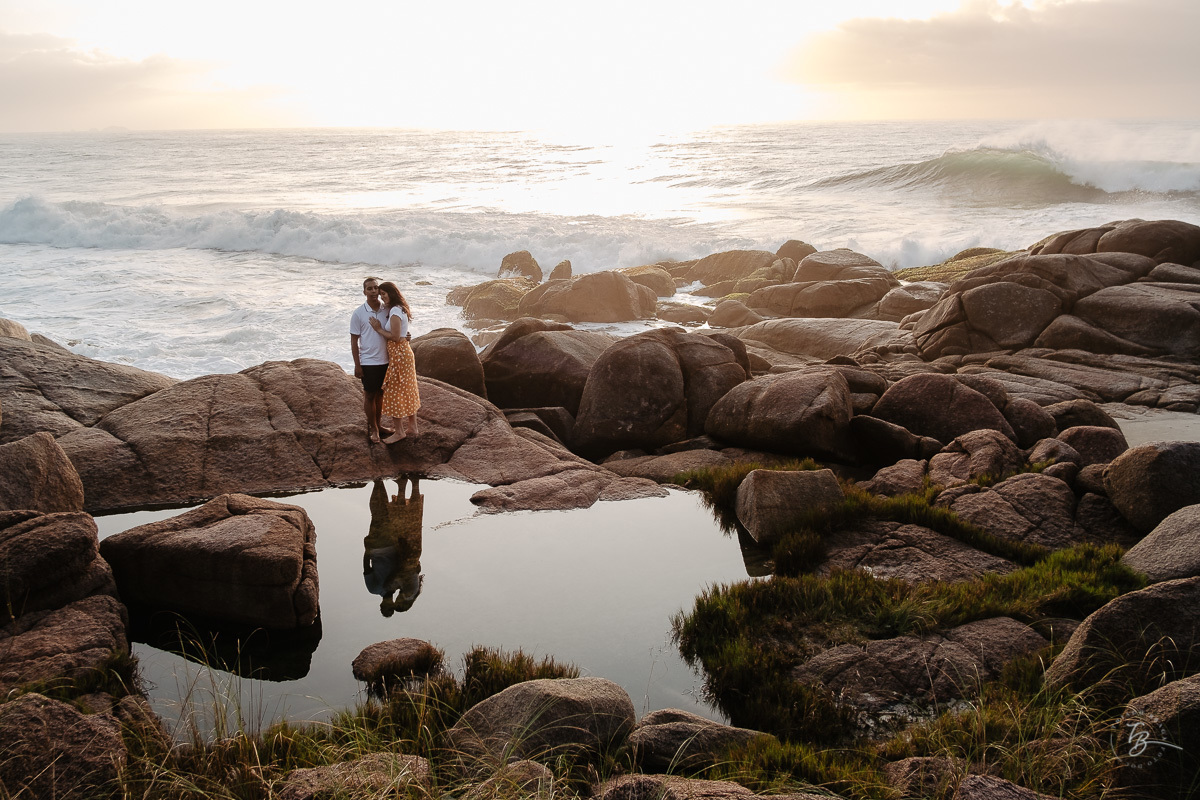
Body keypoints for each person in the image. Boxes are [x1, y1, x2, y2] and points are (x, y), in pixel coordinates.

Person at [370, 281, 421, 444]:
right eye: (381, 294)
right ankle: (413, 426)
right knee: (407, 388)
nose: (382, 297)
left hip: (399, 354)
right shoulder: (398, 309)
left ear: (392, 294)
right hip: (403, 352)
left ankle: (399, 432)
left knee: (394, 391)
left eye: (384, 294)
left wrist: (378, 329)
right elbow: (401, 334)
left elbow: (395, 336)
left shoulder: (394, 311)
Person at [349, 277, 393, 443]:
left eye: (376, 288)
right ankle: (373, 429)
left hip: (386, 360)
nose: (374, 291)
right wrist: (357, 365)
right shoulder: (359, 313)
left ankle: (380, 425)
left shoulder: (386, 309)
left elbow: (396, 327)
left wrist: (406, 335)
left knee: (380, 395)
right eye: (370, 289)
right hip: (368, 361)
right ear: (364, 292)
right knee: (369, 396)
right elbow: (354, 341)